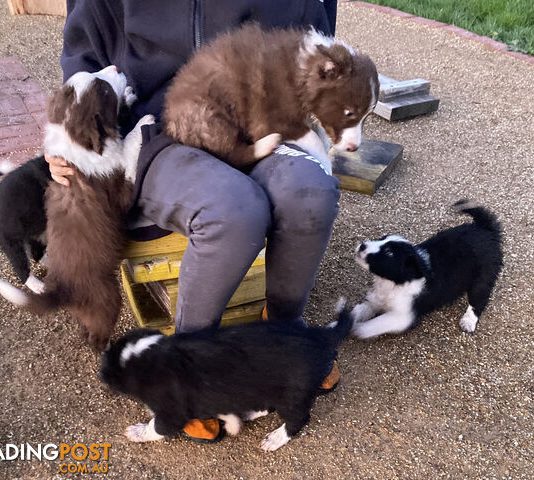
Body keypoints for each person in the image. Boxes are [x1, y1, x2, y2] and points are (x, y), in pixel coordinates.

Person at [48, 0, 341, 442]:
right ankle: (188, 366)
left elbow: (317, 37)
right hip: (155, 123)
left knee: (311, 195)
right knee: (232, 210)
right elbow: (85, 55)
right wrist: (67, 135)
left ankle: (285, 334)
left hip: (260, 113)